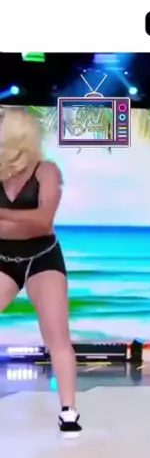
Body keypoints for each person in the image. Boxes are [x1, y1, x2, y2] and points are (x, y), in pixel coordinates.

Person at [0, 107, 81, 437]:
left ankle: (69, 411)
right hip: (4, 257)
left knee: (57, 336)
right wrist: (19, 221)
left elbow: (43, 220)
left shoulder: (46, 170)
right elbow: (29, 221)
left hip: (42, 257)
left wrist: (5, 218)